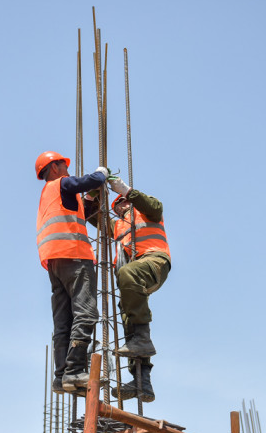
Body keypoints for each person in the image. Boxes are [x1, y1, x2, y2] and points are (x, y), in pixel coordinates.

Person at [35, 151, 108, 395]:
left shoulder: (49, 195)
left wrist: (90, 199)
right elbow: (89, 181)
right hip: (74, 255)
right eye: (63, 165)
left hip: (54, 262)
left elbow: (79, 212)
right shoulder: (62, 184)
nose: (67, 169)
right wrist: (101, 175)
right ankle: (75, 369)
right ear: (54, 168)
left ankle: (61, 377)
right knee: (86, 312)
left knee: (63, 321)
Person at [104, 176, 170, 403]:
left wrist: (125, 190)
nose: (120, 207)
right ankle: (142, 381)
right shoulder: (117, 226)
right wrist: (93, 194)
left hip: (153, 262)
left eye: (122, 202)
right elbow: (93, 216)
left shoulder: (146, 213)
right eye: (116, 207)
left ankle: (141, 340)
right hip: (132, 281)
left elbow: (155, 206)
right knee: (129, 320)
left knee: (127, 273)